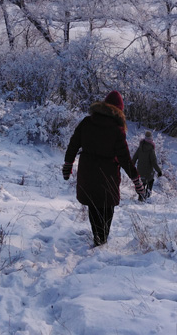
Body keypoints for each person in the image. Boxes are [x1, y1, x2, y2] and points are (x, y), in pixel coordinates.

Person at [62, 90, 147, 247]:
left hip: (87, 172)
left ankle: (98, 237)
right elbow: (125, 159)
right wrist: (137, 181)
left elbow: (73, 144)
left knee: (93, 205)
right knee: (107, 207)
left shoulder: (87, 122)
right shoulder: (117, 130)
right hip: (107, 174)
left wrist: (67, 166)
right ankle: (102, 239)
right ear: (119, 110)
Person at [131, 131, 163, 198]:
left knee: (141, 183)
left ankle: (140, 196)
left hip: (139, 170)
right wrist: (159, 171)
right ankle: (147, 197)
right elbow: (154, 162)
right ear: (151, 139)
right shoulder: (151, 150)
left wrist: (131, 167)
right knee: (150, 181)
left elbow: (134, 158)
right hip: (148, 172)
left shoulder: (140, 148)